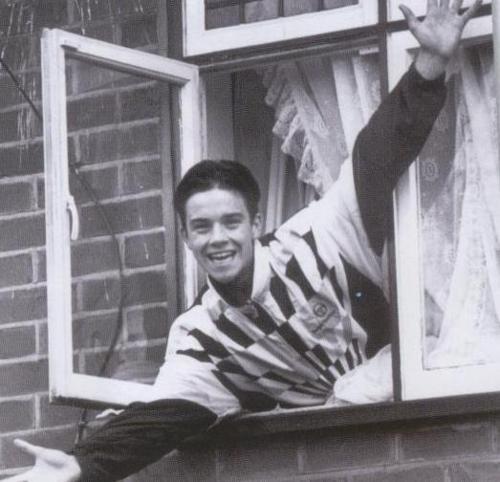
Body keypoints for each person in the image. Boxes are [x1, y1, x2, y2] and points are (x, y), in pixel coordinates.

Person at [5, 1, 483, 480]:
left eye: (231, 222)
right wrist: (80, 463)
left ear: (255, 223)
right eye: (202, 227)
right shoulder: (200, 336)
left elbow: (378, 154)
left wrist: (430, 64)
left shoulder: (319, 236)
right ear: (186, 237)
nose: (218, 239)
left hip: (413, 417)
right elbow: (160, 418)